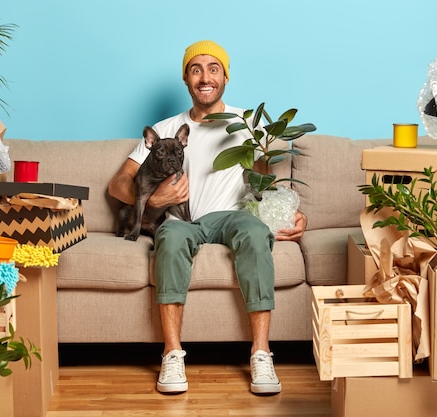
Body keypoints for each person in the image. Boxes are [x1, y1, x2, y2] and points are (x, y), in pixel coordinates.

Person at [108, 40, 308, 395]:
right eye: (196, 69)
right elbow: (118, 183)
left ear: (225, 77)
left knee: (254, 232)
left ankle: (261, 354)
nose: (205, 77)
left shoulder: (247, 124)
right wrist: (155, 198)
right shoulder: (166, 127)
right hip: (181, 222)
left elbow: (266, 182)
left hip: (231, 217)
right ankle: (172, 355)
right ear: (186, 78)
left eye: (213, 68)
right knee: (168, 238)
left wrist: (288, 213)